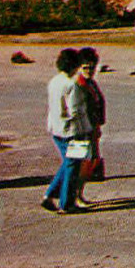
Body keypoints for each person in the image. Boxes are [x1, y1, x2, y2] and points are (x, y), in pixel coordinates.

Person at [42, 48, 93, 213]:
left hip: (56, 128)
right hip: (73, 130)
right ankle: (66, 203)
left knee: (67, 163)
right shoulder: (72, 85)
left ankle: (50, 195)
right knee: (73, 166)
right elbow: (75, 109)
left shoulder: (54, 81)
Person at [73, 46, 107, 203]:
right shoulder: (78, 85)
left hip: (92, 129)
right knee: (80, 164)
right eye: (85, 68)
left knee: (89, 163)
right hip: (81, 131)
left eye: (92, 67)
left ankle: (79, 193)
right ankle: (75, 195)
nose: (89, 70)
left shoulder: (91, 83)